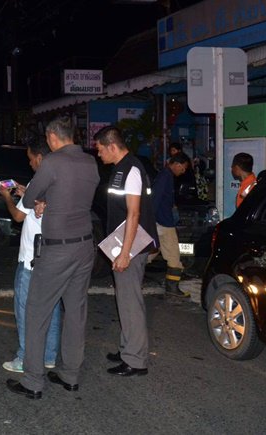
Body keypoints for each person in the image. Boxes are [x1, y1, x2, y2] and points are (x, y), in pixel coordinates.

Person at [5, 115, 99, 400]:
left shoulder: (53, 163)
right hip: (85, 246)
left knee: (36, 311)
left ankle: (33, 381)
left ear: (52, 137)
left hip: (57, 249)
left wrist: (36, 197)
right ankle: (70, 375)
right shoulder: (90, 162)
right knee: (75, 312)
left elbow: (33, 195)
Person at [94, 126, 158, 377]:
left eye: (100, 149)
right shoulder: (120, 169)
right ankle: (127, 349)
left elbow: (134, 214)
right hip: (123, 244)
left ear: (112, 146)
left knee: (131, 303)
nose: (98, 154)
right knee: (125, 300)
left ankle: (136, 360)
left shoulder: (131, 169)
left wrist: (125, 253)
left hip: (130, 247)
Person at [0, 141, 62, 374]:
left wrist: (6, 196)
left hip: (31, 259)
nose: (29, 162)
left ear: (40, 158)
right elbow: (37, 202)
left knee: (25, 308)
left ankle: (24, 357)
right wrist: (25, 190)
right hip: (52, 256)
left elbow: (17, 216)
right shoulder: (56, 181)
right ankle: (49, 356)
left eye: (30, 158)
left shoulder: (39, 181)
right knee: (52, 307)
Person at [150, 152, 191, 298]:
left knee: (150, 253)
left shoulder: (165, 175)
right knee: (174, 256)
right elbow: (155, 199)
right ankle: (172, 289)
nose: (183, 171)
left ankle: (132, 272)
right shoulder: (165, 176)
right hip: (164, 223)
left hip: (160, 222)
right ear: (177, 164)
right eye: (183, 168)